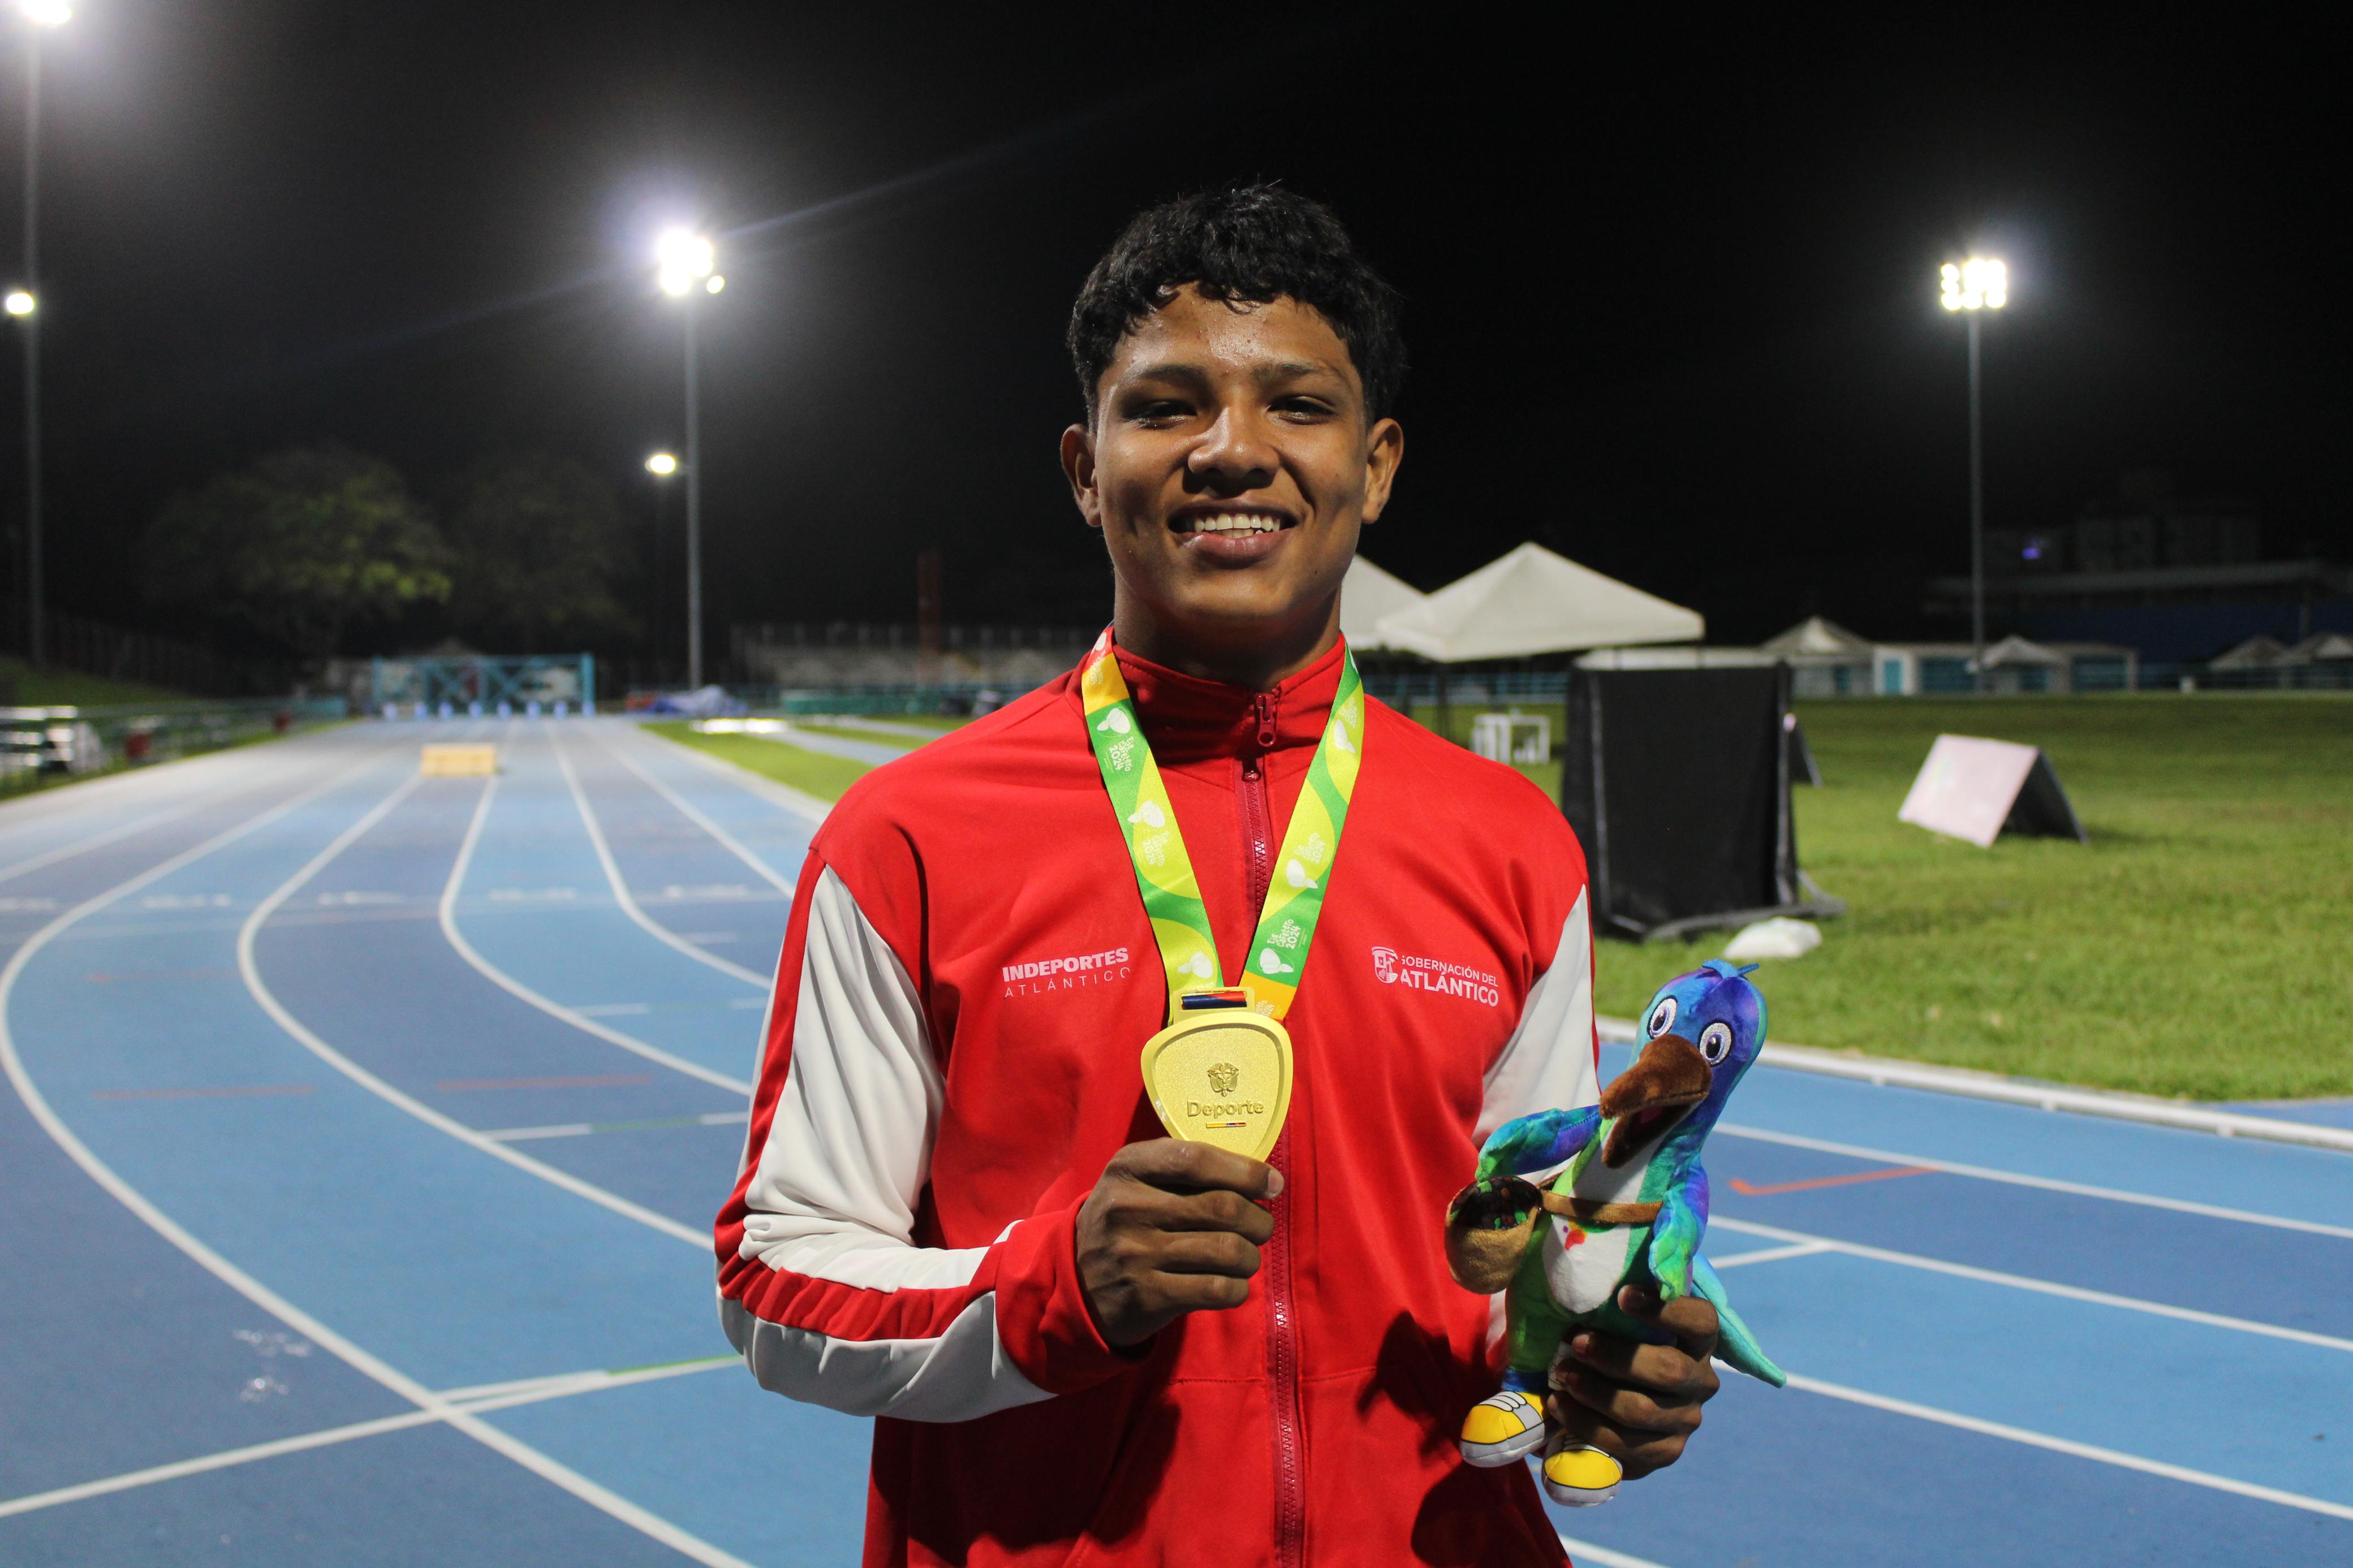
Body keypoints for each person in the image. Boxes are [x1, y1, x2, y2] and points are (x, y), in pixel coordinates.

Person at [714, 185, 1722, 1567]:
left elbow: (1519, 1252)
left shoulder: (1508, 840)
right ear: (1084, 466)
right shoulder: (910, 840)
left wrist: (1595, 1354)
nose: (1232, 452)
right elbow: (781, 1280)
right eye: (1167, 405)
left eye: (1294, 407)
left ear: (1374, 468)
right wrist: (1052, 1286)